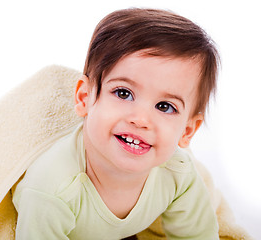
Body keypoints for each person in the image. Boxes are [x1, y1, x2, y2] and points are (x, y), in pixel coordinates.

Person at [12, 8, 220, 239]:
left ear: (187, 130)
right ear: (84, 98)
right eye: (123, 93)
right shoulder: (52, 188)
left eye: (164, 106)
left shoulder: (178, 173)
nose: (140, 120)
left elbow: (198, 235)